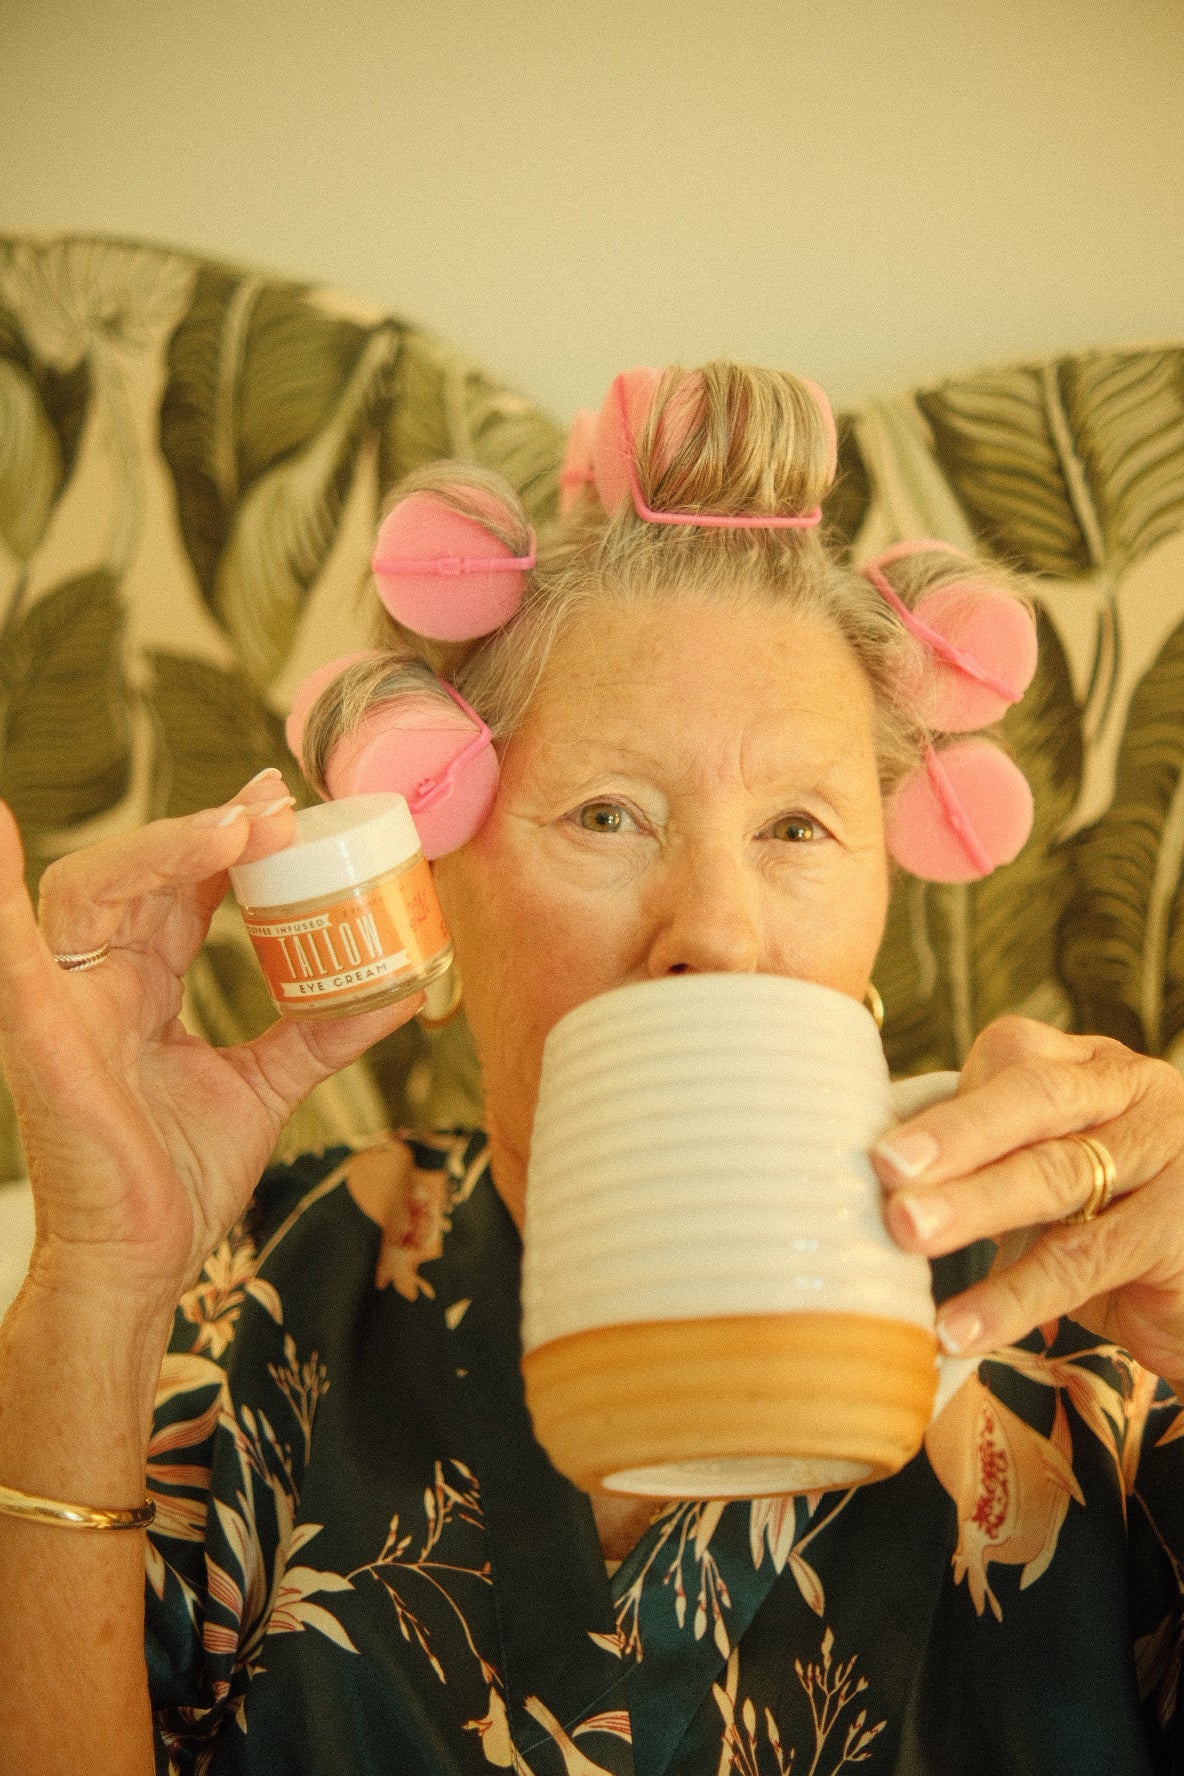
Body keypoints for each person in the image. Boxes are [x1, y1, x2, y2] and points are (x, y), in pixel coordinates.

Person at [1, 361, 1183, 1776]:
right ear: (448, 886)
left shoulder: (1104, 1336)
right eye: (611, 813)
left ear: (885, 906)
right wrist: (94, 1290)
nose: (719, 932)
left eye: (799, 828)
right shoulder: (234, 1296)